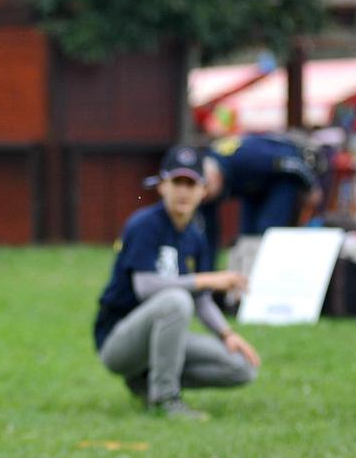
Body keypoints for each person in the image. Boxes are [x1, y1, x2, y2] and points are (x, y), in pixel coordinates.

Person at [94, 145, 261, 419]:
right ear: (162, 187)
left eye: (191, 183)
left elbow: (202, 298)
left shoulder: (196, 236)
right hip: (118, 341)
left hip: (162, 334)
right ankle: (164, 399)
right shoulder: (144, 224)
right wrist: (206, 279)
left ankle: (145, 383)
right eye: (177, 182)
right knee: (175, 300)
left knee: (241, 368)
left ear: (203, 190)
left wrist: (227, 334)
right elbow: (145, 287)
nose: (183, 191)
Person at [198, 132, 322, 266]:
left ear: (215, 179)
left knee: (266, 232)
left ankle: (269, 273)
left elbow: (292, 163)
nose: (206, 197)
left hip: (282, 177)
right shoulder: (204, 181)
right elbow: (210, 235)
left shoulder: (245, 158)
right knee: (246, 237)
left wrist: (310, 187)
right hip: (252, 188)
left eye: (208, 192)